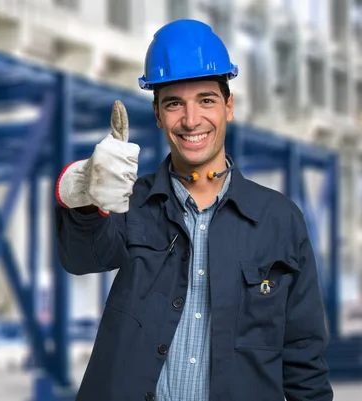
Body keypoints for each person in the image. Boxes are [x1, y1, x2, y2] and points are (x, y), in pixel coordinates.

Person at [54, 19, 333, 401]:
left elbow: (303, 358)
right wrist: (83, 191)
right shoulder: (129, 202)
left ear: (228, 106)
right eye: (173, 104)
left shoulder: (279, 220)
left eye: (206, 100)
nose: (190, 120)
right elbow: (81, 256)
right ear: (157, 115)